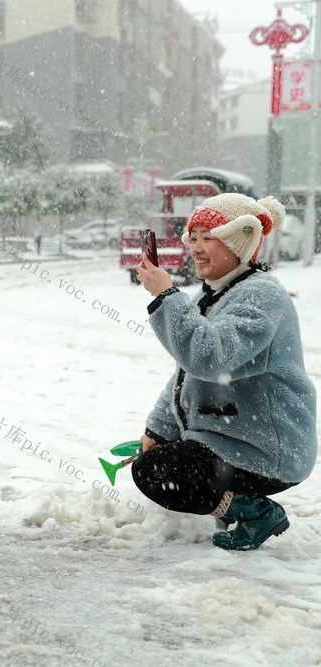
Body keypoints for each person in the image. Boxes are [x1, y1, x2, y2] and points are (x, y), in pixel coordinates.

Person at [133, 193, 316, 551]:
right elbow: (187, 374)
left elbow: (206, 357)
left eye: (208, 238)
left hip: (267, 451)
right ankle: (231, 500)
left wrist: (165, 295)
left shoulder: (261, 298)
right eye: (194, 238)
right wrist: (158, 429)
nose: (196, 248)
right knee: (154, 461)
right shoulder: (220, 295)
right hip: (232, 438)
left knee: (157, 470)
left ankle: (256, 511)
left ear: (239, 243)